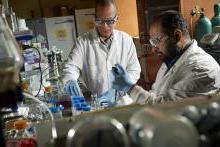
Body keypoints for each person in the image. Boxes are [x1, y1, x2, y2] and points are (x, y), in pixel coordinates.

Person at [111, 10, 220, 104]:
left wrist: (130, 88)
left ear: (177, 35)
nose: (153, 49)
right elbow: (154, 95)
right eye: (152, 42)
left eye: (156, 41)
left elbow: (166, 107)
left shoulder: (202, 68)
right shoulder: (170, 61)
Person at [63, 0, 141, 106]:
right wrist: (70, 80)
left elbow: (134, 70)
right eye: (99, 21)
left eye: (109, 21)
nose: (104, 26)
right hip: (97, 103)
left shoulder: (126, 40)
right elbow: (71, 67)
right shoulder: (83, 42)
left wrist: (118, 91)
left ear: (117, 19)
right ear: (94, 19)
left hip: (124, 102)